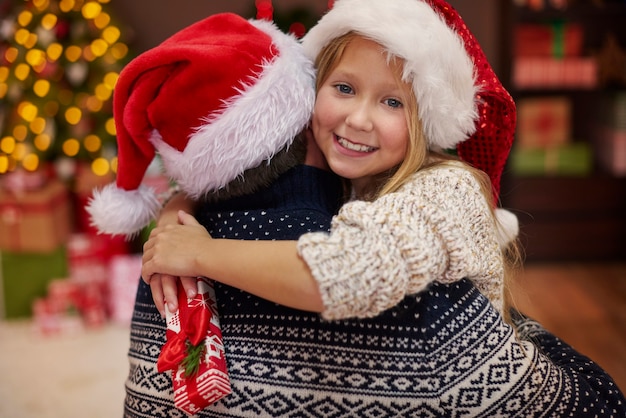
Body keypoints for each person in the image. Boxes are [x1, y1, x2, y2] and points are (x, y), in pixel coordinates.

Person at [142, 0, 626, 416]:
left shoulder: (446, 188)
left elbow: (347, 271)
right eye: (345, 88)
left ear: (426, 121)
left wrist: (201, 254)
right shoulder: (337, 161)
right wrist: (177, 209)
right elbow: (225, 172)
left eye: (392, 102)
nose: (358, 119)